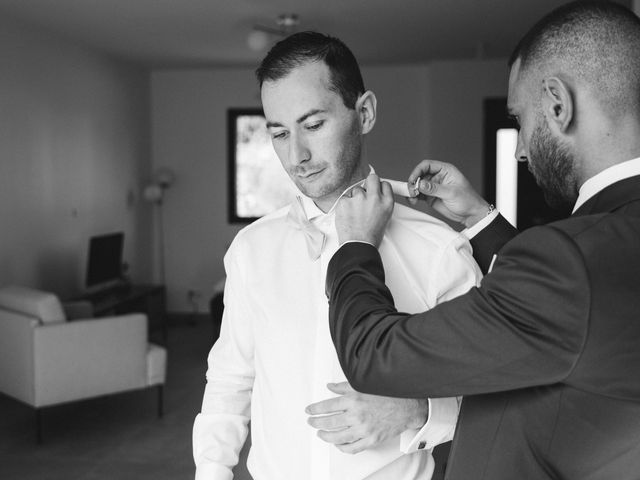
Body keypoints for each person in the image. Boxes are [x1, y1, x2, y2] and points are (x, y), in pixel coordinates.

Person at [325, 2, 640, 479]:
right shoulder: (606, 247)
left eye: (519, 120)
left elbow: (374, 355)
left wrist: (356, 246)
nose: (520, 149)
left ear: (558, 103)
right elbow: (567, 313)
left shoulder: (572, 262)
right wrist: (478, 216)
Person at [192, 32, 482, 479]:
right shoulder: (252, 249)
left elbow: (490, 389)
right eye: (279, 133)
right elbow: (231, 380)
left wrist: (417, 411)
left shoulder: (438, 249)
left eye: (312, 125)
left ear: (363, 113)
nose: (297, 156)